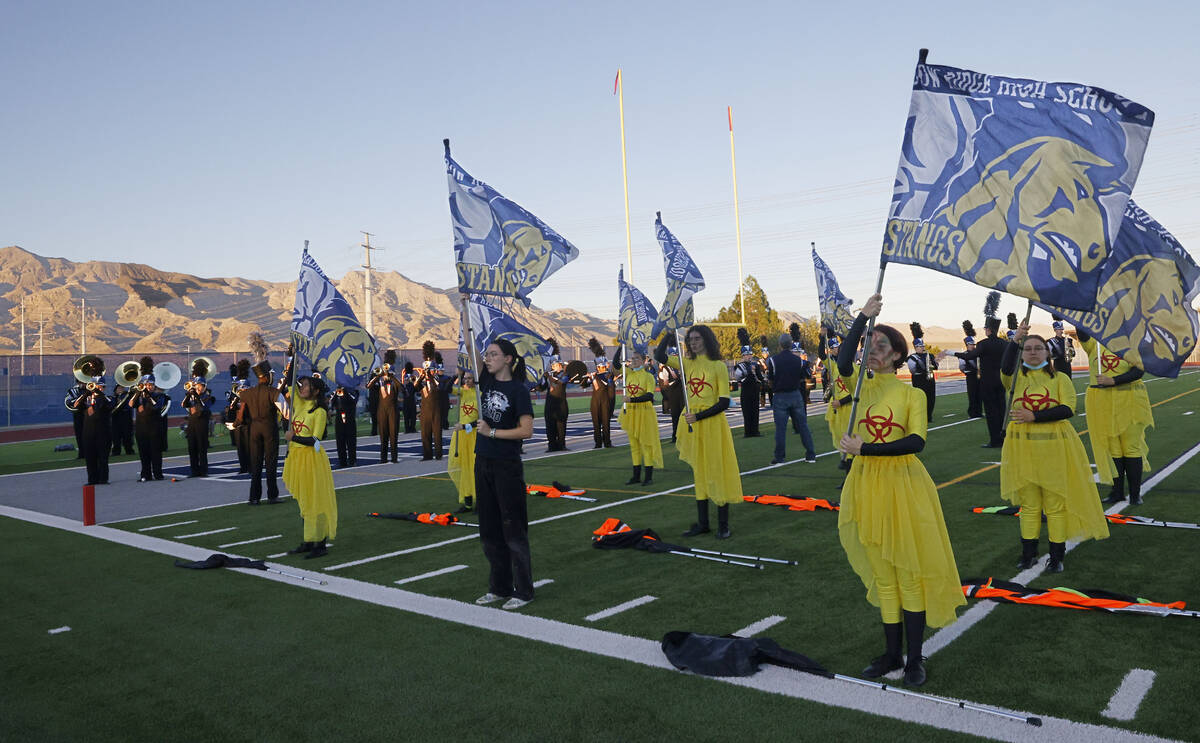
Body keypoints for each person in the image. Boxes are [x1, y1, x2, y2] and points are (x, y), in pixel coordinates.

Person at [836, 294, 964, 688]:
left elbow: (915, 443)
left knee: (909, 574)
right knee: (885, 574)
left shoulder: (912, 395)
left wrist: (866, 449)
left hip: (904, 484)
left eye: (881, 348)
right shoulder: (861, 388)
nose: (873, 353)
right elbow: (843, 363)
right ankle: (891, 654)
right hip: (866, 485)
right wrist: (862, 318)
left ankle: (914, 659)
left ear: (896, 357)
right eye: (870, 347)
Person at [1001, 322, 1109, 572]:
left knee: (1055, 506)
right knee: (1028, 506)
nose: (1033, 352)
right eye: (1028, 348)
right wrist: (1015, 339)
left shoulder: (1060, 377)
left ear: (1048, 353)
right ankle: (1028, 554)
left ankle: (1056, 557)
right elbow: (1005, 367)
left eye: (1039, 348)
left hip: (1055, 451)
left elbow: (1067, 408)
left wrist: (1034, 417)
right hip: (1022, 453)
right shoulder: (1015, 378)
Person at [473, 339, 536, 611]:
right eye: (487, 354)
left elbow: (526, 430)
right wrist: (464, 312)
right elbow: (471, 350)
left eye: (494, 354)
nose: (488, 358)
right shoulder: (485, 382)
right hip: (483, 461)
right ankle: (499, 587)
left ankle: (523, 591)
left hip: (506, 465)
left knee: (513, 530)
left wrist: (493, 433)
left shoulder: (518, 390)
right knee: (489, 530)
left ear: (508, 359)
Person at [671, 325, 742, 539]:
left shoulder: (718, 366)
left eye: (697, 338)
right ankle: (703, 524)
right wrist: (668, 330)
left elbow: (723, 403)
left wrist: (699, 417)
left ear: (706, 340)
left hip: (712, 425)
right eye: (690, 339)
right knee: (699, 473)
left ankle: (723, 525)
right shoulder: (687, 363)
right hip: (693, 426)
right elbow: (658, 355)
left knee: (716, 471)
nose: (693, 342)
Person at [1077, 328, 1154, 506]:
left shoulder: (1132, 345)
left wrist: (1114, 381)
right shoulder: (1093, 345)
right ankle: (1116, 492)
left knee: (1131, 448)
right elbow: (1081, 331)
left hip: (1130, 403)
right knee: (1114, 450)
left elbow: (1139, 371)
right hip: (1102, 404)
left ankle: (1135, 494)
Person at [283, 375, 337, 559]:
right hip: (296, 457)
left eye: (306, 386)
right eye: (303, 385)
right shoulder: (299, 404)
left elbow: (316, 441)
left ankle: (320, 544)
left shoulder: (319, 412)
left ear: (316, 391)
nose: (302, 388)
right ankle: (308, 540)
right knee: (304, 502)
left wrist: (294, 438)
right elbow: (290, 381)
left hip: (311, 459)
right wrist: (292, 358)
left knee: (316, 501)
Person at [953, 301, 1008, 448]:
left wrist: (952, 353)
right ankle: (1004, 437)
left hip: (987, 382)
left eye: (986, 328)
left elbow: (969, 356)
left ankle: (995, 440)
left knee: (991, 411)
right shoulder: (1004, 343)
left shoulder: (983, 344)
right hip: (1001, 380)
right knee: (1002, 410)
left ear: (989, 330)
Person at [767, 331, 817, 465]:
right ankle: (811, 454)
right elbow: (805, 376)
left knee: (780, 429)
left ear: (780, 345)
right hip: (795, 394)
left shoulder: (773, 360)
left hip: (780, 396)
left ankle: (779, 457)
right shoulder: (799, 361)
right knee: (803, 426)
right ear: (791, 345)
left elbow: (770, 381)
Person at [237, 360, 282, 504]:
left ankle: (254, 497)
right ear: (267, 376)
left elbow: (241, 413)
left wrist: (235, 424)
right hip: (269, 428)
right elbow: (286, 412)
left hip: (254, 429)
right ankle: (272, 496)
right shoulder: (273, 392)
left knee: (255, 463)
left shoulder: (247, 393)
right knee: (271, 462)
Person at [618, 347, 663, 486]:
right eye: (633, 358)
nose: (634, 360)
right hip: (631, 413)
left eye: (637, 358)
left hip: (644, 412)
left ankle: (648, 477)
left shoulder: (648, 376)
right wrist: (621, 345)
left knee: (646, 445)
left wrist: (632, 400)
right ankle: (636, 476)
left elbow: (649, 396)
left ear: (644, 361)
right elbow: (615, 364)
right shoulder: (629, 374)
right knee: (634, 445)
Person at [448, 369, 479, 511]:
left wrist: (466, 426)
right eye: (465, 378)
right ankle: (467, 502)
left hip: (474, 435)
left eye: (470, 378)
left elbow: (481, 420)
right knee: (464, 468)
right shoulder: (461, 392)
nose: (467, 381)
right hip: (461, 436)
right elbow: (446, 388)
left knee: (475, 468)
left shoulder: (480, 394)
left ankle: (481, 501)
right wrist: (457, 375)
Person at [131, 372, 167, 482]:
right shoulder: (139, 396)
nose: (148, 386)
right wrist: (138, 392)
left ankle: (158, 474)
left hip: (154, 428)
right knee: (143, 452)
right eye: (146, 384)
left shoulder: (159, 396)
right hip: (141, 428)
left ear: (154, 386)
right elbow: (131, 404)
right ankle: (145, 474)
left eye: (150, 384)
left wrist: (148, 395)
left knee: (155, 452)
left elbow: (157, 407)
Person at [367, 350, 401, 463]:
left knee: (393, 434)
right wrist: (378, 376)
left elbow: (402, 388)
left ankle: (394, 458)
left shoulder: (394, 383)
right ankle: (383, 458)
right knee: (383, 434)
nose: (386, 374)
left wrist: (392, 377)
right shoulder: (379, 382)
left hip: (392, 410)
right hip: (381, 410)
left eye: (388, 371)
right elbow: (368, 385)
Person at [80, 376, 112, 485]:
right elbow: (74, 405)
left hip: (102, 432)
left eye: (100, 386)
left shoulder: (106, 398)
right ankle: (92, 479)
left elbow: (106, 407)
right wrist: (86, 394)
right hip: (88, 432)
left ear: (103, 387)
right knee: (90, 457)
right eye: (96, 385)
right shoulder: (86, 398)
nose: (97, 388)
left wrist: (98, 394)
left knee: (103, 457)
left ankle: (103, 479)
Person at [731, 329, 763, 438]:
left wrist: (760, 378)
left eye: (750, 354)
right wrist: (749, 374)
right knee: (747, 412)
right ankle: (748, 432)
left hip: (755, 390)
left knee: (755, 411)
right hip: (745, 391)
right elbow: (738, 378)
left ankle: (755, 431)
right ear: (743, 356)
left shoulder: (756, 364)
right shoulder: (739, 366)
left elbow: (760, 378)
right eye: (746, 355)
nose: (749, 356)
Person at [416, 342, 444, 460]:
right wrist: (423, 375)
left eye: (431, 370)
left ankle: (438, 454)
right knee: (425, 433)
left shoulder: (437, 379)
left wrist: (431, 376)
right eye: (428, 369)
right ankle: (427, 455)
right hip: (425, 411)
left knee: (437, 433)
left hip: (436, 410)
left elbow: (438, 386)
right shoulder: (422, 381)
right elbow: (415, 387)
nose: (429, 371)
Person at [540, 341, 569, 452]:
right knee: (550, 426)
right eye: (553, 364)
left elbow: (560, 383)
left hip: (561, 405)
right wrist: (541, 380)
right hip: (550, 404)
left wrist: (549, 377)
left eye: (556, 364)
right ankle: (551, 446)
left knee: (561, 426)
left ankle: (562, 445)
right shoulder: (549, 375)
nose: (554, 366)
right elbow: (542, 387)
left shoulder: (565, 374)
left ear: (560, 364)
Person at [183, 373, 214, 477]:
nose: (197, 387)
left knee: (202, 448)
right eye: (196, 385)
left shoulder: (208, 397)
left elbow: (203, 407)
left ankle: (203, 471)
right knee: (192, 448)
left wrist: (196, 396)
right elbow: (183, 405)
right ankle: (194, 471)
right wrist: (188, 394)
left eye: (200, 385)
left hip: (202, 423)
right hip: (192, 423)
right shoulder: (191, 396)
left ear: (204, 386)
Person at [585, 338, 614, 448]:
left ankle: (607, 442)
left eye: (603, 366)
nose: (601, 368)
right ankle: (597, 443)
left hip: (605, 402)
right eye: (599, 367)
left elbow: (611, 391)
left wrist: (609, 380)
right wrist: (589, 377)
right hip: (595, 403)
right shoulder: (594, 376)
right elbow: (584, 384)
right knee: (596, 423)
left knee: (606, 423)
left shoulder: (608, 376)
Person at [906, 323, 938, 423]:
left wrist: (932, 366)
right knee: (920, 399)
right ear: (915, 347)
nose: (922, 348)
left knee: (931, 398)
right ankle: (921, 416)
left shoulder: (930, 355)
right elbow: (913, 370)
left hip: (930, 379)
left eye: (922, 346)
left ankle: (929, 416)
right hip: (919, 380)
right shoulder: (912, 357)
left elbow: (936, 366)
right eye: (919, 346)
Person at [655, 337, 685, 443]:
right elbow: (665, 382)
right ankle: (677, 436)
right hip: (676, 391)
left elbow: (666, 382)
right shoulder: (666, 367)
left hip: (679, 390)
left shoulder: (679, 364)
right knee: (677, 415)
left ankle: (680, 435)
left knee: (680, 415)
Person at [330, 382, 360, 468]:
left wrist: (346, 391)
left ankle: (352, 460)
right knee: (340, 441)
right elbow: (331, 402)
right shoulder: (335, 392)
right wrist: (336, 393)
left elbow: (353, 400)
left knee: (351, 441)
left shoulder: (354, 392)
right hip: (339, 418)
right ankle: (342, 461)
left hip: (350, 418)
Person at [959, 322, 982, 419]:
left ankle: (979, 412)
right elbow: (962, 366)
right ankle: (972, 412)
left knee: (979, 394)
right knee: (972, 394)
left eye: (974, 344)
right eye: (972, 344)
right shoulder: (964, 355)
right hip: (971, 376)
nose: (973, 346)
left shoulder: (978, 353)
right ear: (967, 345)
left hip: (979, 376)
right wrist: (968, 372)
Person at [109, 381, 135, 456]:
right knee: (116, 436)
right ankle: (116, 451)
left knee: (127, 435)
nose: (121, 389)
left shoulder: (128, 396)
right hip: (116, 420)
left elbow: (129, 406)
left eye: (122, 388)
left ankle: (129, 450)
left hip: (126, 419)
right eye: (119, 388)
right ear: (115, 390)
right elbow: (112, 407)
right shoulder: (113, 398)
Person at [65, 377, 88, 459]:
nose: (83, 383)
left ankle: (91, 452)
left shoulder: (91, 389)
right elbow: (68, 402)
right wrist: (80, 399)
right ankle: (81, 454)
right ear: (78, 382)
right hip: (78, 415)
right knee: (79, 435)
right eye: (81, 381)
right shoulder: (72, 391)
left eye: (84, 381)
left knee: (90, 435)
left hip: (90, 416)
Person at [400, 361, 418, 434]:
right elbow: (403, 392)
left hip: (412, 401)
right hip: (406, 402)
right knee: (406, 416)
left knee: (413, 416)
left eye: (407, 380)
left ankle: (412, 428)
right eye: (406, 379)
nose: (406, 381)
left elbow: (416, 389)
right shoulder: (404, 386)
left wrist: (414, 382)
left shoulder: (412, 385)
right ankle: (407, 429)